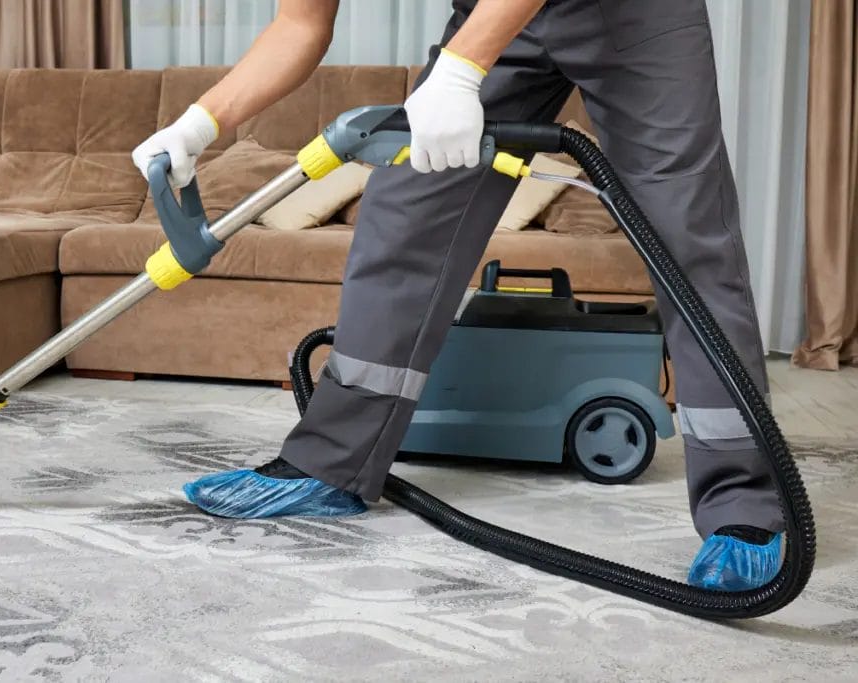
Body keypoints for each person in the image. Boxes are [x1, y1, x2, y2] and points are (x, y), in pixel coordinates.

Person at [131, 0, 783, 592]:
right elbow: (299, 25)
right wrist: (197, 124)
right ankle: (330, 464)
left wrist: (461, 71)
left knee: (683, 228)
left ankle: (745, 501)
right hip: (495, 14)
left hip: (638, 14)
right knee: (403, 209)